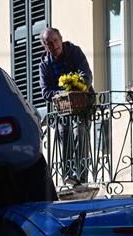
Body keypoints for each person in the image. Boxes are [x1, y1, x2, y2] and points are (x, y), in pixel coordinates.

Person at [38, 27, 93, 185]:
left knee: (79, 131)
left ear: (61, 40)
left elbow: (87, 76)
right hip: (62, 109)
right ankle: (69, 176)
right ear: (45, 46)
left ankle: (81, 177)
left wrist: (75, 88)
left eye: (56, 40)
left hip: (82, 104)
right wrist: (63, 93)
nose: (54, 45)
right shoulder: (44, 65)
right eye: (49, 43)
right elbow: (45, 91)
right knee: (63, 134)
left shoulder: (74, 52)